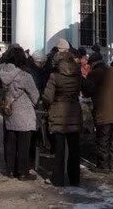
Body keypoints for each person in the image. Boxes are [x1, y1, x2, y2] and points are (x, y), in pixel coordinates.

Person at [42, 39, 82, 187]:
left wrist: (48, 104)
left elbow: (47, 97)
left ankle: (57, 179)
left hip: (58, 114)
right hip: (74, 112)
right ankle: (74, 179)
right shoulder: (77, 73)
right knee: (74, 150)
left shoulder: (54, 76)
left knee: (59, 150)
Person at [0, 46, 40, 180]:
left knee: (10, 142)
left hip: (9, 111)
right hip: (24, 113)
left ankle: (10, 170)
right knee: (24, 144)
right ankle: (22, 172)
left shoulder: (2, 72)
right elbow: (35, 95)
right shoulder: (24, 76)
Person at [82, 51, 113, 173]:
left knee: (103, 139)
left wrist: (82, 81)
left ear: (94, 63)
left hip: (104, 112)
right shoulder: (112, 71)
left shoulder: (95, 73)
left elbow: (87, 91)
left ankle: (103, 166)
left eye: (90, 64)